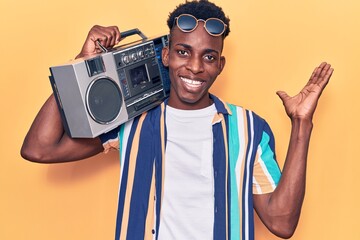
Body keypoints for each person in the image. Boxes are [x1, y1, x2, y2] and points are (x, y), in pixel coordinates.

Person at [21, 0, 334, 239]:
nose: (195, 66)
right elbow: (39, 148)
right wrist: (81, 65)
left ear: (220, 65)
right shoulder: (132, 122)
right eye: (184, 52)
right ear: (166, 55)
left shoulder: (250, 128)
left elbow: (281, 223)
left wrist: (301, 125)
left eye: (208, 57)